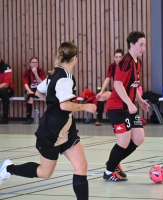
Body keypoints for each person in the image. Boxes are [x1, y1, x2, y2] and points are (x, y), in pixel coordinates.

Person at [0, 41, 96, 200]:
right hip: (51, 132)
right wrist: (85, 107)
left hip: (66, 129)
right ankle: (9, 169)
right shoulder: (65, 78)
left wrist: (53, 104)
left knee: (81, 166)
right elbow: (65, 105)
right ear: (75, 58)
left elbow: (38, 92)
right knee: (45, 173)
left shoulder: (54, 73)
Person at [103, 31, 149, 181]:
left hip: (128, 106)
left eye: (144, 45)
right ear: (132, 44)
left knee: (138, 138)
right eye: (141, 45)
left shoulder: (138, 62)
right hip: (117, 107)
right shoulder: (124, 62)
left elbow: (132, 86)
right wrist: (130, 104)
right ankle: (109, 172)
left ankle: (114, 163)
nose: (143, 48)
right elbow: (117, 84)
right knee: (123, 141)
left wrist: (140, 100)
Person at [95, 49, 124, 126]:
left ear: (123, 58)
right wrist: (101, 92)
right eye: (116, 57)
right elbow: (107, 79)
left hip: (125, 91)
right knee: (101, 97)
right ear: (114, 58)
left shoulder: (126, 67)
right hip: (115, 91)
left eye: (120, 57)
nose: (118, 59)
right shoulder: (112, 66)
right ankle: (99, 120)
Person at [23, 57, 46, 124]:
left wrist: (35, 73)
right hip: (31, 91)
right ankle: (28, 118)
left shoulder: (41, 71)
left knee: (48, 97)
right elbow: (25, 83)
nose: (35, 64)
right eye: (33, 62)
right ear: (30, 64)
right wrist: (29, 91)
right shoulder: (27, 72)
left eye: (36, 62)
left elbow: (42, 83)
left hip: (39, 90)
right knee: (30, 97)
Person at [0, 53, 14, 124]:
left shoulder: (6, 67)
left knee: (3, 92)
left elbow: (6, 84)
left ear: (0, 57)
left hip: (7, 89)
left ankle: (5, 117)